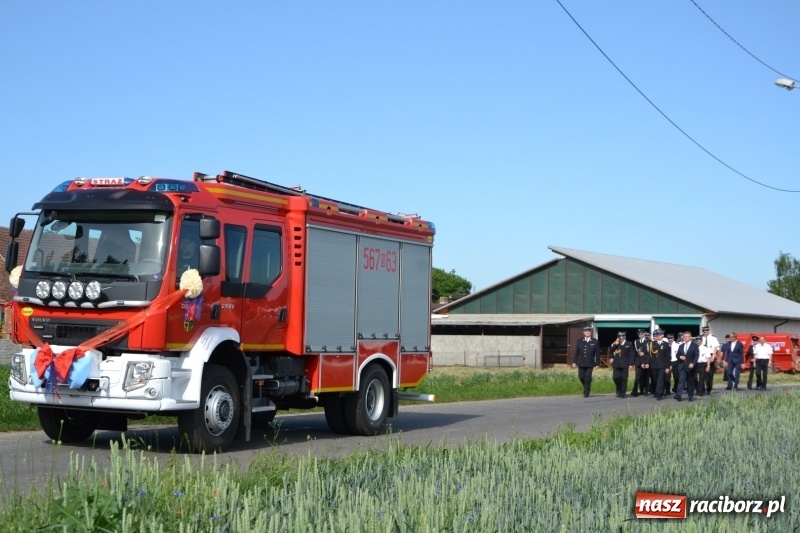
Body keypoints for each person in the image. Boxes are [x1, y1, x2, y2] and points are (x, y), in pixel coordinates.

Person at [572, 325, 600, 398]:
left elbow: (597, 354)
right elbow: (576, 352)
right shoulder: (580, 341)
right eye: (586, 331)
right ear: (583, 332)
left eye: (589, 331)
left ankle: (586, 392)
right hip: (581, 362)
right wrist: (574, 362)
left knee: (587, 377)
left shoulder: (595, 341)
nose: (587, 332)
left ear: (591, 332)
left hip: (590, 363)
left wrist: (597, 364)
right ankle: (586, 386)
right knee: (581, 377)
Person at [608, 331, 635, 398]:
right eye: (620, 337)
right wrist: (615, 345)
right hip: (616, 364)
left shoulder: (629, 344)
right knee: (615, 378)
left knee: (624, 379)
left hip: (625, 364)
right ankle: (619, 388)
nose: (621, 338)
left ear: (625, 337)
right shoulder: (615, 344)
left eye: (622, 336)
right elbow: (611, 351)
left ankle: (622, 393)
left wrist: (631, 364)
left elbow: (631, 355)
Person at [675, 331, 699, 402]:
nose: (685, 338)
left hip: (690, 366)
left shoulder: (694, 346)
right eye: (684, 337)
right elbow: (677, 355)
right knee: (681, 380)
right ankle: (678, 395)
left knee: (690, 382)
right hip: (682, 366)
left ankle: (690, 396)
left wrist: (693, 363)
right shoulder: (681, 346)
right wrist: (680, 357)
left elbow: (696, 356)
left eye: (686, 337)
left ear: (690, 337)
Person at [647, 329, 671, 400]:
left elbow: (667, 356)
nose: (658, 336)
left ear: (663, 335)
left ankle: (659, 394)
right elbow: (649, 355)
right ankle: (656, 391)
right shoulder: (652, 344)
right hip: (654, 365)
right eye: (657, 335)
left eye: (660, 335)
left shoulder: (666, 344)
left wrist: (667, 367)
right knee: (655, 380)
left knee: (660, 380)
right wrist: (648, 363)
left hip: (662, 365)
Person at [701, 326, 721, 394]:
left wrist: (714, 356)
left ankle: (709, 388)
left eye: (706, 331)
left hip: (711, 355)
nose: (704, 332)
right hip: (703, 356)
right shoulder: (701, 338)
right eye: (703, 331)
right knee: (702, 374)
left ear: (708, 331)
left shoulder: (713, 338)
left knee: (710, 374)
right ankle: (702, 389)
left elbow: (716, 348)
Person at [631, 329, 650, 396]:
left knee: (646, 377)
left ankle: (646, 390)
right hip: (638, 361)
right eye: (639, 334)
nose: (640, 335)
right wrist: (633, 363)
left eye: (641, 334)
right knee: (638, 377)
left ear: (644, 334)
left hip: (646, 361)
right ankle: (636, 391)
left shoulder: (648, 341)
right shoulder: (636, 341)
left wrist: (646, 362)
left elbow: (648, 352)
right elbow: (636, 351)